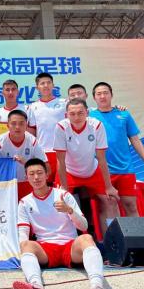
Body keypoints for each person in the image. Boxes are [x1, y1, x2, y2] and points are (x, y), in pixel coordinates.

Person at [12, 158, 114, 289]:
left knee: (86, 238)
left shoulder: (63, 195)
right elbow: (23, 233)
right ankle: (36, 288)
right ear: (26, 177)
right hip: (46, 250)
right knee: (26, 244)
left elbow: (84, 225)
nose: (36, 177)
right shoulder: (25, 203)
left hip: (69, 247)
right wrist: (24, 255)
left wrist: (70, 211)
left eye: (39, 173)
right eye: (31, 174)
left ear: (47, 174)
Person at [53, 98, 119, 237]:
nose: (76, 117)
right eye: (72, 114)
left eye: (80, 113)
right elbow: (60, 160)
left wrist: (108, 186)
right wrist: (64, 188)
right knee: (60, 204)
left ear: (87, 113)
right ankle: (68, 241)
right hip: (69, 171)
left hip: (92, 170)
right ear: (66, 115)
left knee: (110, 201)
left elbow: (101, 158)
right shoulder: (61, 127)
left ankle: (109, 242)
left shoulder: (97, 125)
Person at [90, 82, 144, 216]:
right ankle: (114, 231)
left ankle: (135, 231)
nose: (102, 96)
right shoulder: (89, 116)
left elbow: (135, 139)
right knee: (109, 206)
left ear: (111, 95)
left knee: (131, 206)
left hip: (125, 168)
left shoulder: (124, 114)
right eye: (99, 94)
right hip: (102, 170)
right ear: (94, 97)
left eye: (105, 93)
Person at [0, 110, 48, 200]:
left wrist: (26, 163)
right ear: (7, 125)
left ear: (26, 126)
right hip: (7, 185)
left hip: (28, 184)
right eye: (13, 123)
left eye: (21, 123)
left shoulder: (33, 141)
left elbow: (47, 168)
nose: (17, 127)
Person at [27, 73, 67, 181]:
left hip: (63, 152)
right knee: (45, 183)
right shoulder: (33, 107)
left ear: (53, 85)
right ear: (37, 87)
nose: (46, 85)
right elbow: (31, 133)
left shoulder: (64, 103)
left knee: (63, 185)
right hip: (43, 153)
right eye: (42, 83)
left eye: (49, 83)